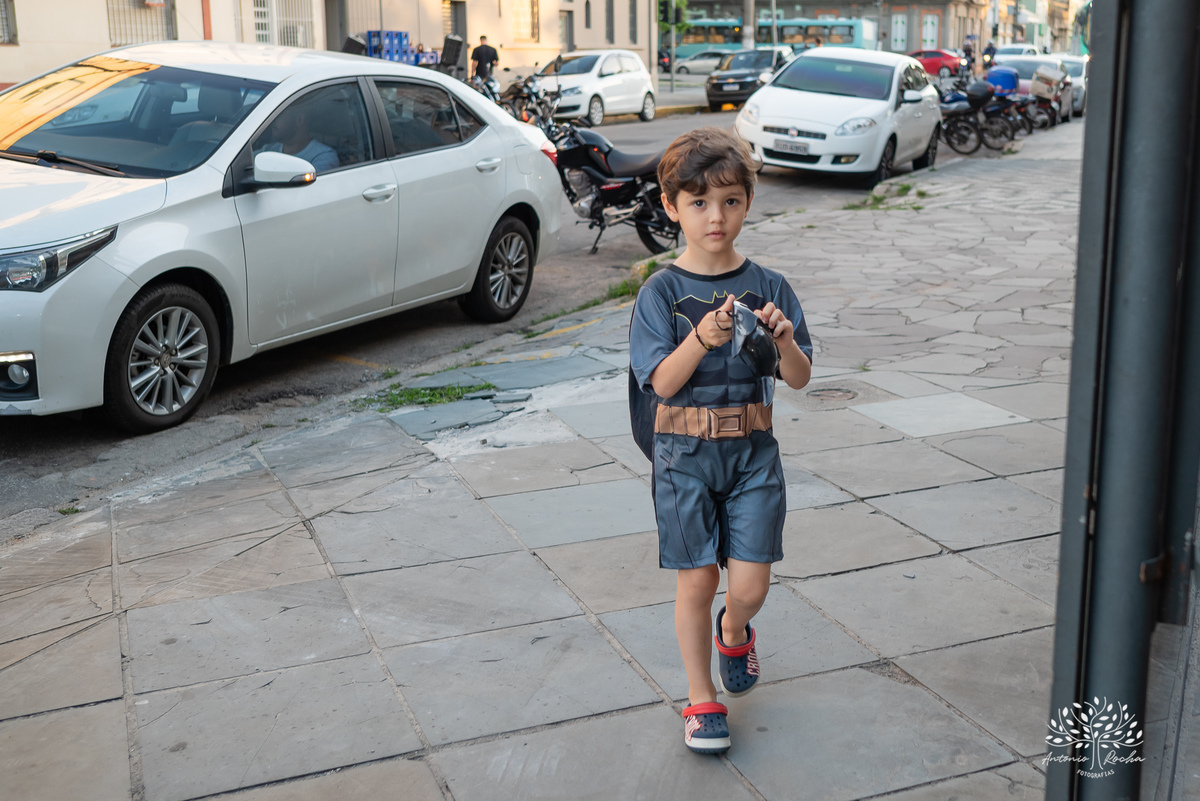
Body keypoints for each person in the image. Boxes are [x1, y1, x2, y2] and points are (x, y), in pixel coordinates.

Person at [628, 128, 813, 755]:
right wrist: (701, 338)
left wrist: (783, 338)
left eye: (730, 201)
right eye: (700, 202)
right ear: (672, 205)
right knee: (697, 580)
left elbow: (800, 378)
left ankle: (735, 631)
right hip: (683, 458)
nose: (716, 216)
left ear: (748, 203)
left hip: (753, 454)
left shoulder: (771, 286)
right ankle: (701, 698)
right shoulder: (660, 292)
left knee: (751, 586)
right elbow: (662, 381)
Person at [256, 105, 338, 173]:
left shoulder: (323, 157)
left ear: (299, 119)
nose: (273, 120)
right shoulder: (267, 151)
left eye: (279, 115)